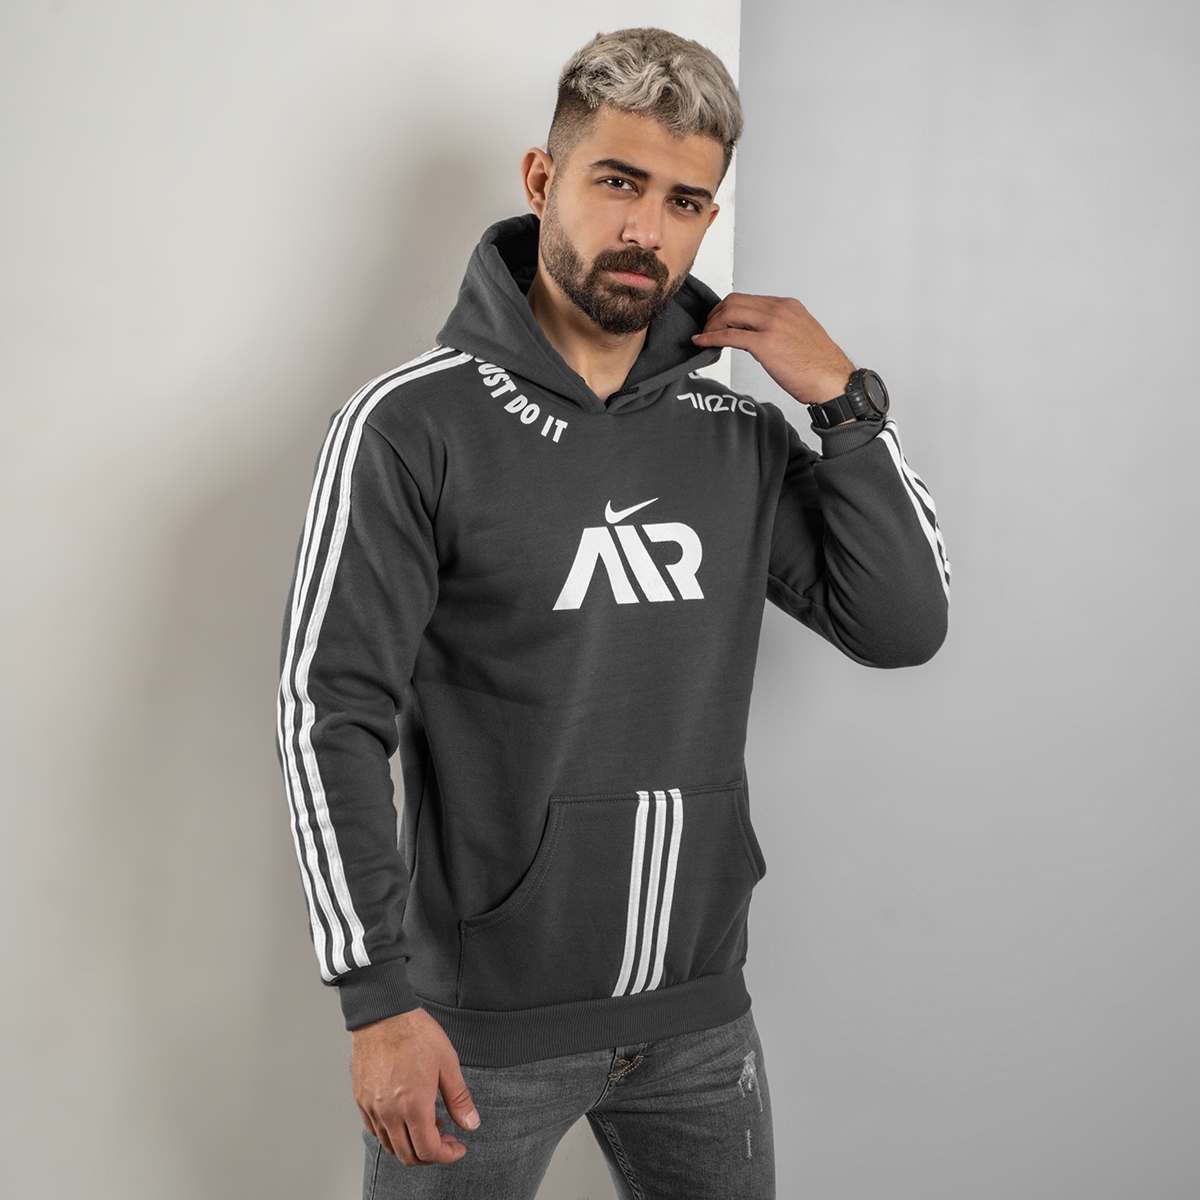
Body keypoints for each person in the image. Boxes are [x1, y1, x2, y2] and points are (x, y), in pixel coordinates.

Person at [277, 26, 950, 1200]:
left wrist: (847, 405)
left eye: (685, 201)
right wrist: (375, 1000)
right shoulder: (411, 427)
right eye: (619, 182)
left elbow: (900, 625)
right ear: (544, 179)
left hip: (699, 1024)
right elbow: (329, 712)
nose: (649, 228)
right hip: (479, 1032)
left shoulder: (736, 434)